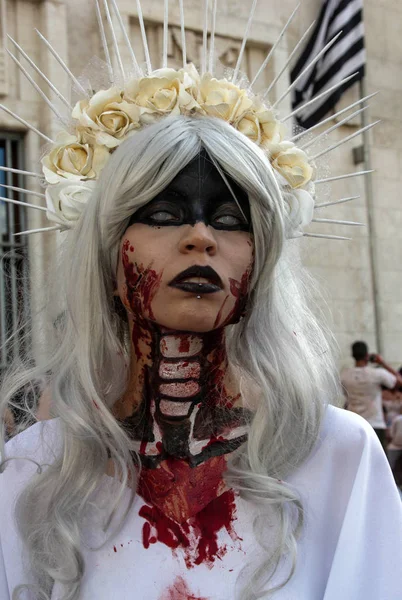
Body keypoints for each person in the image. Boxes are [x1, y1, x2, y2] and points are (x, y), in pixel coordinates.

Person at [1, 3, 402, 600]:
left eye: (230, 218)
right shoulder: (37, 470)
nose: (201, 238)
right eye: (162, 214)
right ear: (109, 256)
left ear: (260, 260)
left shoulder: (338, 456)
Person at [341, 341, 402, 448]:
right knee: (378, 463)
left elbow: (344, 395)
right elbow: (399, 381)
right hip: (375, 424)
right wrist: (382, 363)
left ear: (352, 355)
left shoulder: (344, 375)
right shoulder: (377, 374)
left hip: (353, 425)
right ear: (367, 355)